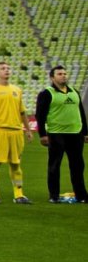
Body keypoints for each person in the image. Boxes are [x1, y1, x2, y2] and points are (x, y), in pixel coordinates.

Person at [35, 65, 87, 204]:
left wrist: (85, 132)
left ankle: (81, 195)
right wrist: (42, 134)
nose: (63, 75)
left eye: (64, 73)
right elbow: (40, 115)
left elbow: (81, 113)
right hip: (56, 134)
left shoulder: (74, 92)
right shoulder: (46, 93)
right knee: (54, 166)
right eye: (59, 74)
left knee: (78, 166)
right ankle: (54, 195)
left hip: (75, 133)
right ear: (52, 77)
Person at [0, 61, 30, 204]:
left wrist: (27, 129)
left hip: (16, 131)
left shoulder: (17, 90)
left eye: (8, 68)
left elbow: (22, 112)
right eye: (3, 68)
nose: (6, 70)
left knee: (16, 164)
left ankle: (19, 195)